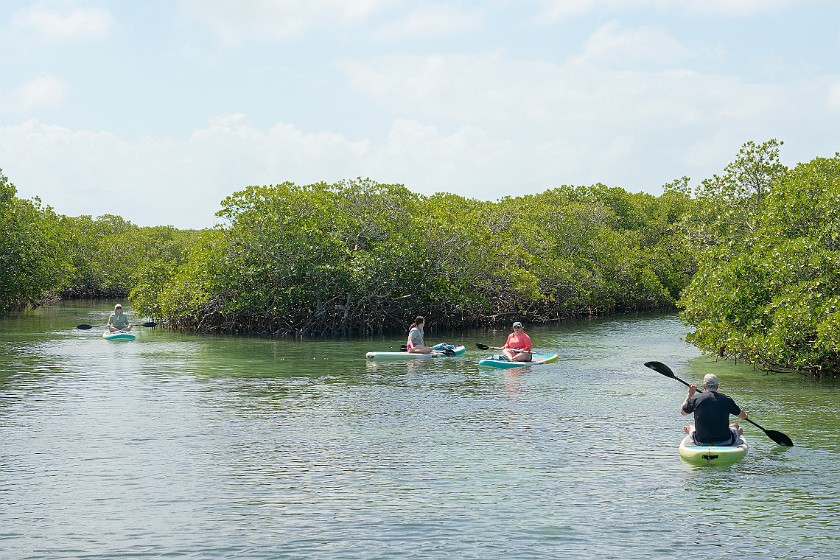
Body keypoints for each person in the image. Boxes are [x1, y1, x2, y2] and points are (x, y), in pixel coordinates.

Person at [680, 373, 748, 445]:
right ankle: (737, 434)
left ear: (704, 386)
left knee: (690, 427)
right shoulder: (726, 399)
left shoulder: (695, 399)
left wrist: (690, 394)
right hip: (725, 441)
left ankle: (691, 431)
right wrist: (746, 415)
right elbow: (743, 416)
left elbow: (683, 412)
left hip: (701, 442)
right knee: (736, 426)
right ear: (717, 386)